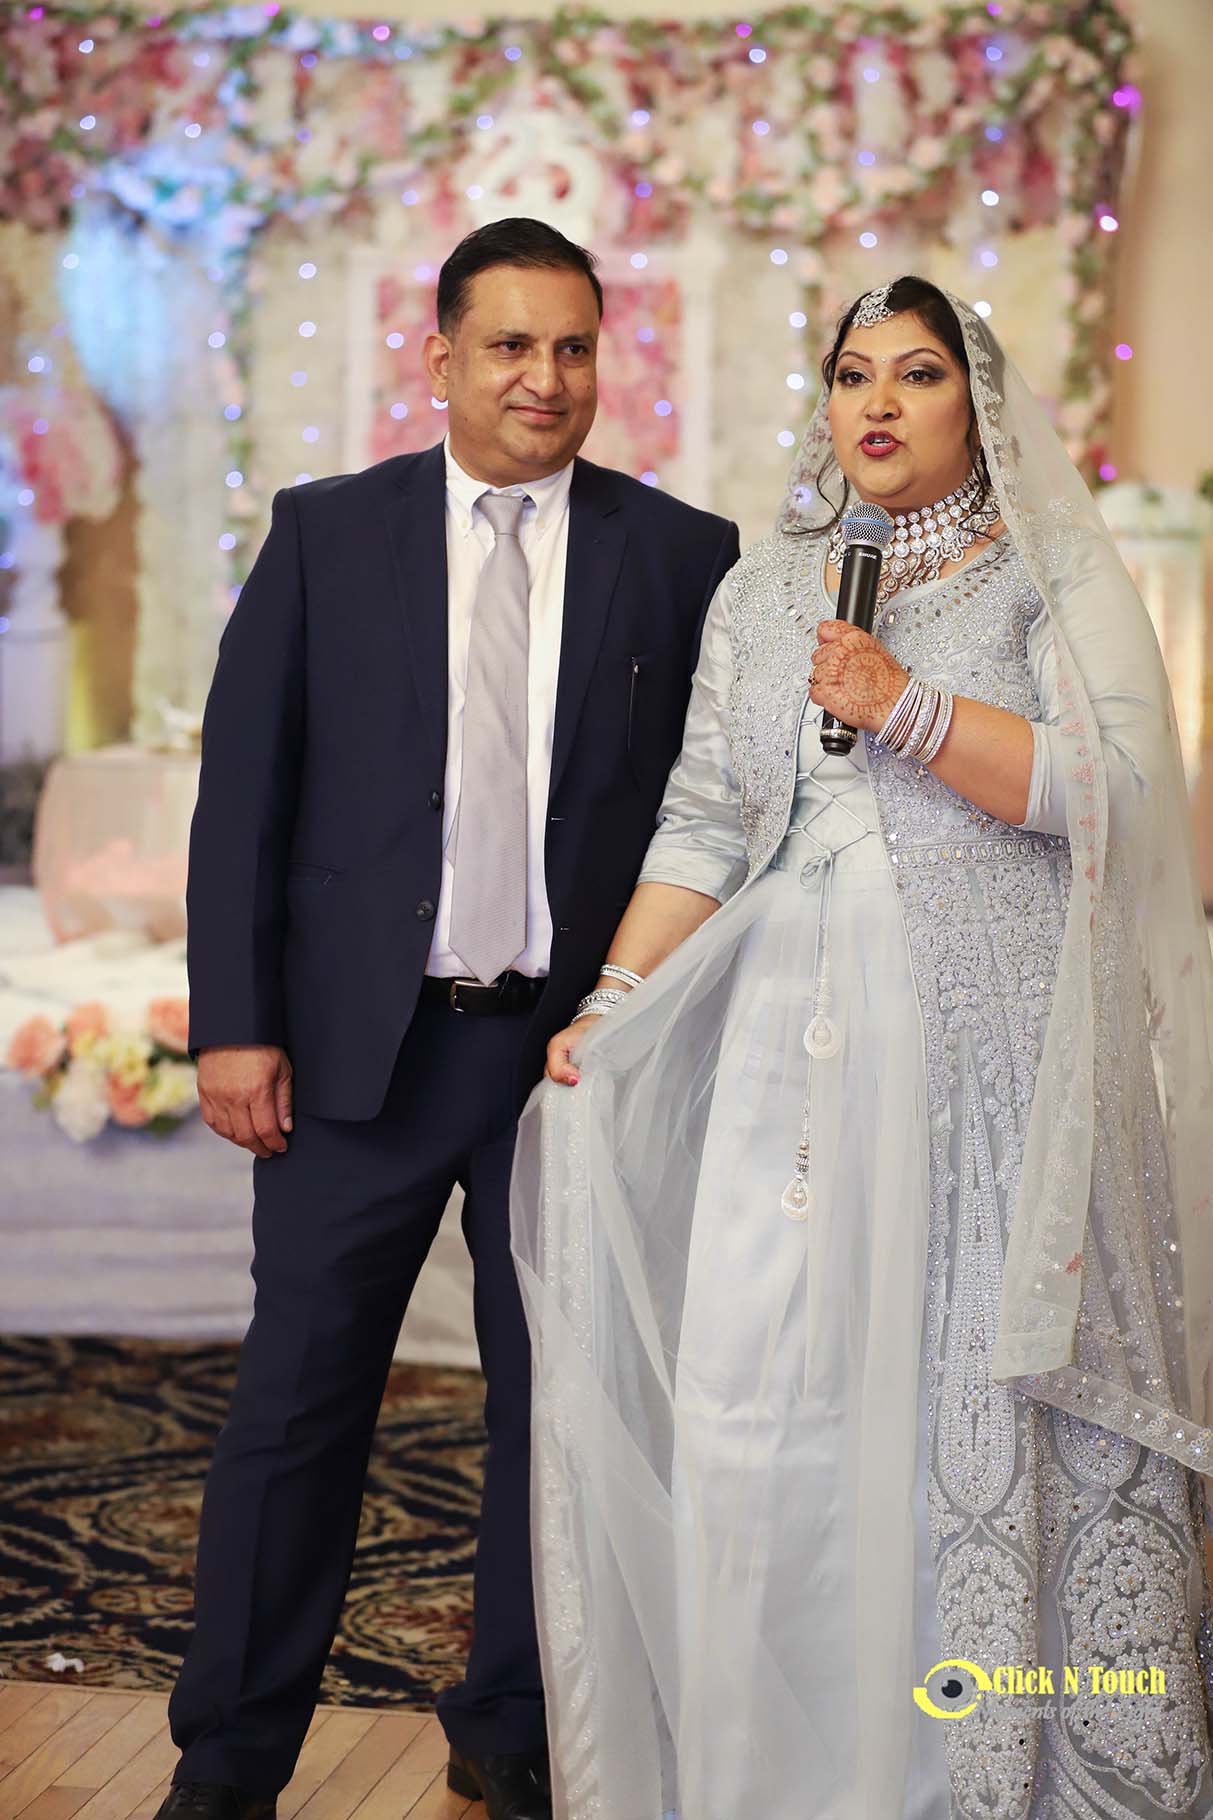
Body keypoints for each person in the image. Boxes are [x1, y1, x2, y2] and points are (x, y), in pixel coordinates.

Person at [512, 276, 1213, 1818]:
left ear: (977, 403)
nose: (877, 404)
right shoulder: (769, 590)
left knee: (950, 1403)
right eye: (850, 375)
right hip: (782, 1045)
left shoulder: (1043, 571)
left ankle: (963, 1772)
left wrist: (905, 708)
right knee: (764, 1400)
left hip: (985, 1053)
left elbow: (1118, 793)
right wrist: (610, 1002)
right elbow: (706, 816)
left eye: (916, 374)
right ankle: (781, 1774)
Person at [160, 216, 739, 1820]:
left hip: (570, 1062)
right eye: (508, 345)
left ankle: (516, 1726)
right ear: (438, 358)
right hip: (358, 1055)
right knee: (295, 1408)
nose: (543, 378)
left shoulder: (681, 554)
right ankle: (229, 1763)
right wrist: (233, 1022)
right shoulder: (324, 534)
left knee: (558, 1412)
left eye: (572, 347)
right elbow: (244, 796)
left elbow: (711, 812)